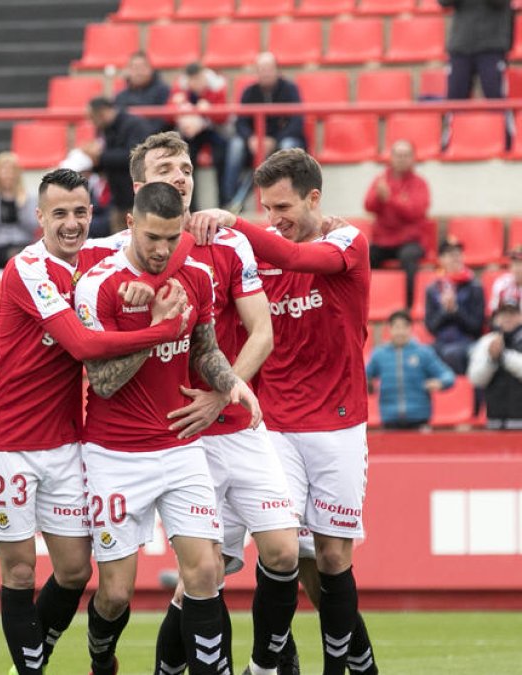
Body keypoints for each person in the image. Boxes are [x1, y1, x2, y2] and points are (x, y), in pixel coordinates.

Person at [0, 168, 190, 675]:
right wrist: (157, 332)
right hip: (6, 438)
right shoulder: (28, 268)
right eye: (60, 213)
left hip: (66, 440)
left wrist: (221, 221)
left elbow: (165, 236)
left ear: (93, 213)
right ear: (39, 217)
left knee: (72, 572)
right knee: (21, 571)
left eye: (80, 212)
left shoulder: (98, 256)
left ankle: (33, 662)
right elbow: (85, 345)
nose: (71, 223)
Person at [189, 149, 377, 675]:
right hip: (274, 427)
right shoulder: (261, 253)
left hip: (339, 424)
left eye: (283, 207)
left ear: (315, 198)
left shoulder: (347, 241)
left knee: (333, 561)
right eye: (265, 208)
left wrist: (237, 223)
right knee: (285, 556)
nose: (274, 219)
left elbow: (296, 259)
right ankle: (269, 664)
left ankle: (348, 665)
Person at [126, 133, 300, 675]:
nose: (180, 176)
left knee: (284, 552)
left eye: (185, 167)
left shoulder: (227, 241)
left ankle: (266, 668)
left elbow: (262, 333)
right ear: (139, 189)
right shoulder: (123, 248)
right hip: (184, 437)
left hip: (238, 424)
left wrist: (222, 391)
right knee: (202, 578)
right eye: (165, 169)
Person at [74, 181, 260, 675]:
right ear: (131, 223)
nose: (161, 249)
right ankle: (100, 658)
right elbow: (104, 382)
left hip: (179, 448)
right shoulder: (101, 285)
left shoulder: (197, 276)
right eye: (152, 237)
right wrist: (153, 326)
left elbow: (203, 348)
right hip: (115, 454)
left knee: (205, 570)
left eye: (172, 238)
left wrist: (232, 384)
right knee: (114, 594)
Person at [225, 53, 305, 212]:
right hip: (254, 143)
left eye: (269, 69)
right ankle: (230, 200)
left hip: (281, 141)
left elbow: (297, 122)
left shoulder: (290, 89)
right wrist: (251, 139)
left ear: (277, 70)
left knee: (289, 145)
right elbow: (240, 122)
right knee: (235, 145)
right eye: (262, 69)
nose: (266, 73)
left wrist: (274, 140)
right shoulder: (249, 92)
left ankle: (292, 200)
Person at [364, 140, 431, 309]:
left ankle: (409, 305)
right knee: (364, 257)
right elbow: (368, 205)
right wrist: (380, 198)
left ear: (413, 158)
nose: (401, 159)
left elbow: (416, 211)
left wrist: (390, 199)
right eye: (398, 155)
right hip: (384, 241)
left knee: (409, 258)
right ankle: (364, 302)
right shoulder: (381, 179)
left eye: (406, 155)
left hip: (410, 241)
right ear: (391, 158)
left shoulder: (419, 183)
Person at [439, 0, 514, 150]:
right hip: (460, 46)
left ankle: (508, 143)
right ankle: (449, 144)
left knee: (496, 98)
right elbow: (444, 2)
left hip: (492, 46)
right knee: (454, 100)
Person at [367, 310, 455, 430]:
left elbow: (448, 375)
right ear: (390, 329)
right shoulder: (379, 354)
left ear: (410, 329)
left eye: (404, 327)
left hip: (420, 418)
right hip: (389, 419)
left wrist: (440, 383)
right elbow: (363, 377)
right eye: (396, 327)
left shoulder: (423, 352)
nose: (400, 331)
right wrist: (368, 385)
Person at [82, 97, 154, 232]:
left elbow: (134, 156)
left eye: (92, 118)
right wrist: (93, 162)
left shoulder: (135, 125)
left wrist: (100, 156)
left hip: (138, 200)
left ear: (102, 113)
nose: (92, 123)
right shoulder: (104, 129)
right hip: (117, 199)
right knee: (118, 245)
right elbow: (106, 161)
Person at [170, 62, 230, 209]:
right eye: (193, 80)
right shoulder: (180, 89)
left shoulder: (217, 86)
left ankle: (223, 202)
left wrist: (208, 111)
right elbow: (168, 115)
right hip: (190, 135)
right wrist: (180, 108)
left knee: (223, 154)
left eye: (199, 79)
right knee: (185, 159)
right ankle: (190, 205)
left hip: (214, 132)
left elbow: (223, 118)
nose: (197, 84)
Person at [424, 239, 484, 375]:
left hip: (467, 341)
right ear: (441, 259)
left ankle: (458, 394)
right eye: (450, 254)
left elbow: (476, 327)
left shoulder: (474, 287)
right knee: (420, 354)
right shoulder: (433, 289)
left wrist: (456, 310)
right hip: (441, 341)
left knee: (452, 354)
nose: (455, 258)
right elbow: (431, 327)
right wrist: (445, 311)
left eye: (458, 254)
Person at [0, 151, 39, 270]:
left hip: (23, 244)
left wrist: (22, 207)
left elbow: (33, 227)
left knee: (17, 257)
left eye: (12, 171)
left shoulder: (29, 196)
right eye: (4, 170)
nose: (8, 175)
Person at [468, 301, 522, 430]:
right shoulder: (486, 342)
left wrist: (503, 356)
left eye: (512, 314)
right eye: (503, 314)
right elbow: (475, 379)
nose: (507, 318)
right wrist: (491, 360)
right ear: (495, 319)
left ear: (520, 316)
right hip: (495, 418)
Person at [113, 51, 172, 130]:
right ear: (128, 71)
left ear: (150, 69)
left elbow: (164, 123)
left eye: (142, 67)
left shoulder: (164, 91)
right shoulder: (120, 97)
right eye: (135, 68)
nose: (139, 72)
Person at [489, 246, 522, 313]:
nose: (518, 268)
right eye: (515, 263)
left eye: (520, 264)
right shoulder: (502, 283)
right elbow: (494, 310)